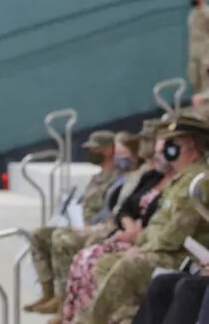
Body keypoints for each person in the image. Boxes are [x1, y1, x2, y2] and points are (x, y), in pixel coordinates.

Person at [76, 116, 209, 324]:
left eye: (174, 142)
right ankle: (125, 319)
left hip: (180, 255)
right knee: (105, 263)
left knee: (129, 265)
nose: (167, 147)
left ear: (191, 144)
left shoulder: (199, 180)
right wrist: (139, 241)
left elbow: (175, 234)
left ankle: (88, 321)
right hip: (159, 247)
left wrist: (144, 248)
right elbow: (157, 222)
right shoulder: (180, 177)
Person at [59, 137, 171, 323]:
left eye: (162, 152)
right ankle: (71, 316)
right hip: (130, 233)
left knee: (97, 261)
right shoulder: (152, 177)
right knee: (84, 258)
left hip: (148, 243)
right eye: (156, 152)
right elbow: (124, 208)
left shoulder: (184, 185)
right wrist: (130, 227)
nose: (157, 157)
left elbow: (166, 228)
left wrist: (137, 236)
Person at [24, 130, 119, 314]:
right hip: (82, 225)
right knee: (39, 235)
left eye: (95, 148)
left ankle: (63, 302)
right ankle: (48, 293)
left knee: (63, 239)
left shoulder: (117, 178)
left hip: (100, 229)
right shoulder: (96, 177)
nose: (91, 152)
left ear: (108, 150)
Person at [188, 0, 209, 95]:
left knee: (206, 84)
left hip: (205, 53)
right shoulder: (192, 14)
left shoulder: (207, 13)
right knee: (195, 80)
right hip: (194, 53)